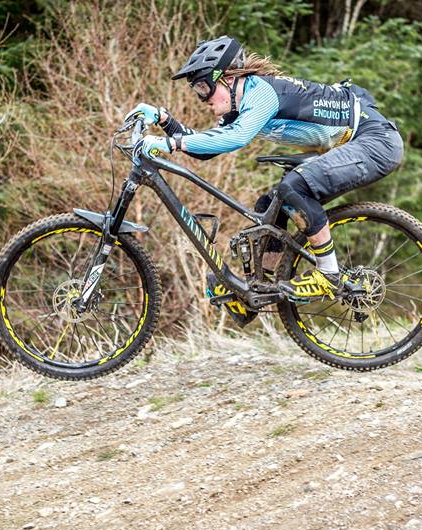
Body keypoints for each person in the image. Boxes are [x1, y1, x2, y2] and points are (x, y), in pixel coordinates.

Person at [126, 35, 403, 324]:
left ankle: (329, 273)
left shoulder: (260, 92)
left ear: (227, 78)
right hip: (357, 144)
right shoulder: (239, 104)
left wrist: (170, 144)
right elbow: (206, 148)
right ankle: (259, 289)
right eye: (197, 90)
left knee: (294, 186)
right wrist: (164, 120)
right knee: (271, 203)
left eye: (203, 87)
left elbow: (235, 138)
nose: (203, 98)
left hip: (377, 141)